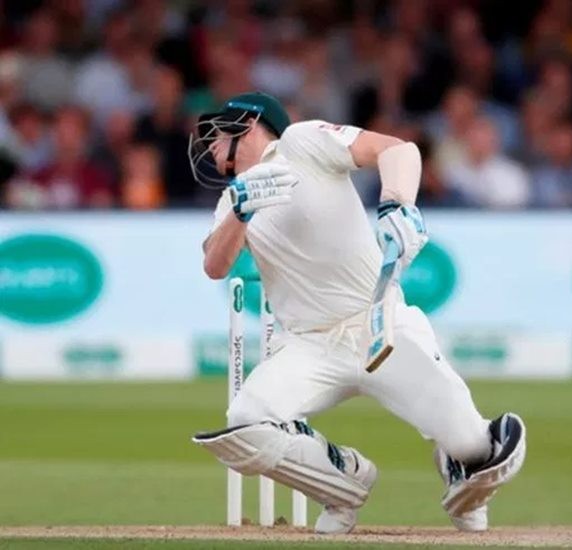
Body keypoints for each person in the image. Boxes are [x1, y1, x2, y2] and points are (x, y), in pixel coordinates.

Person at [188, 92, 526, 534]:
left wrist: (398, 204)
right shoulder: (230, 200)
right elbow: (215, 266)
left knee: (476, 446)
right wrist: (240, 209)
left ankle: (459, 462)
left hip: (379, 327)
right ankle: (344, 479)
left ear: (248, 125)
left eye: (218, 133)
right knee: (246, 423)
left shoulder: (302, 141)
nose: (211, 145)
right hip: (308, 345)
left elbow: (398, 150)